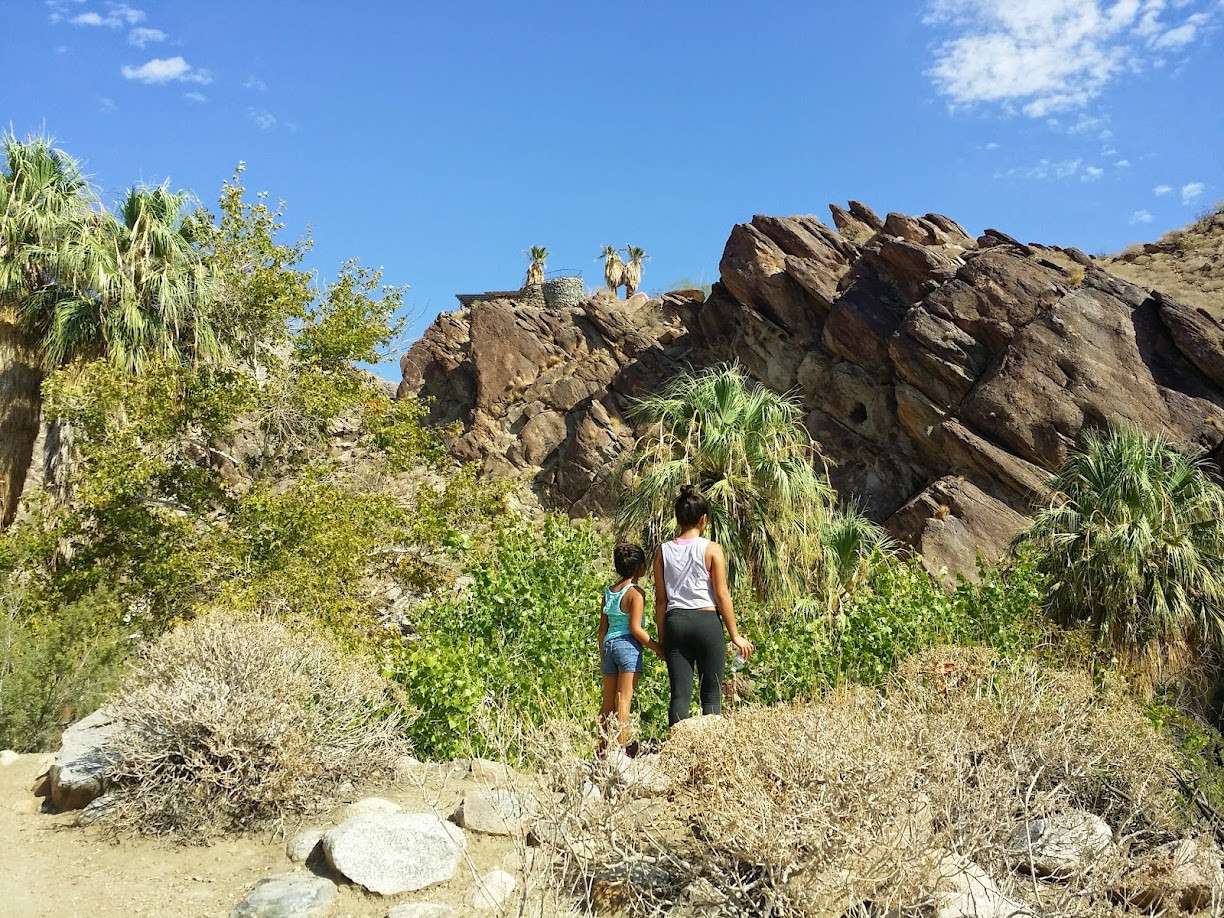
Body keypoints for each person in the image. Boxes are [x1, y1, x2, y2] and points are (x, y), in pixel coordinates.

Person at [653, 484, 754, 726]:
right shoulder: (711, 549)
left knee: (679, 694)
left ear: (678, 519)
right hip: (706, 621)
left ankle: (678, 750)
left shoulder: (662, 551)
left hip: (675, 621)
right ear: (704, 520)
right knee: (711, 692)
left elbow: (660, 599)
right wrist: (735, 635)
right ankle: (711, 752)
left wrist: (663, 637)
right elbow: (722, 594)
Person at [597, 542, 662, 753]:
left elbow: (602, 629)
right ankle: (621, 748)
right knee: (623, 700)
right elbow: (635, 628)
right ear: (639, 567)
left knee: (607, 703)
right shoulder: (635, 593)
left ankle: (602, 748)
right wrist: (656, 647)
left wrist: (603, 653)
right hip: (628, 647)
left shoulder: (608, 592)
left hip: (609, 646)